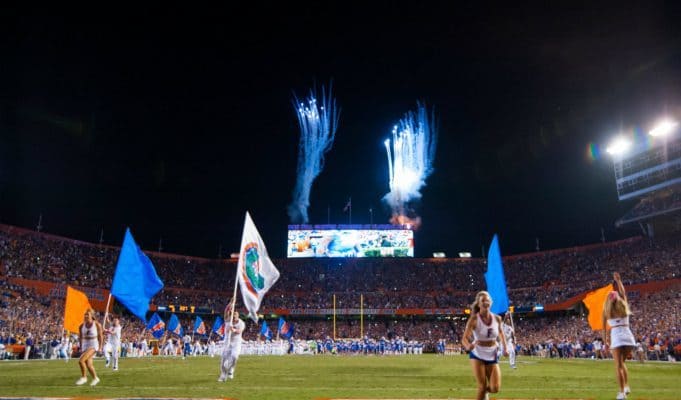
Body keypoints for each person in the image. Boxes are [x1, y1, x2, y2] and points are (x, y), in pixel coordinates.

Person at [462, 291, 508, 400]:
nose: (486, 302)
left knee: (495, 388)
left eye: (488, 300)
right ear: (478, 304)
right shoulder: (474, 319)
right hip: (478, 353)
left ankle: (485, 393)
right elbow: (464, 338)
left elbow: (501, 333)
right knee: (482, 387)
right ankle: (483, 392)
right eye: (483, 300)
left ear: (491, 303)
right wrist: (468, 346)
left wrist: (505, 348)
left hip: (492, 353)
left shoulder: (497, 318)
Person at [602, 272, 635, 400]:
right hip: (628, 337)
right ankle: (626, 386)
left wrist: (605, 342)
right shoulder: (624, 308)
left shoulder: (606, 312)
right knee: (622, 364)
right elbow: (623, 293)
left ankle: (621, 393)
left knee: (618, 366)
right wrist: (618, 280)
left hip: (616, 337)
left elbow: (604, 330)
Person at [76, 309, 103, 386]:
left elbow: (101, 336)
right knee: (89, 365)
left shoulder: (97, 325)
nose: (86, 316)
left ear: (92, 316)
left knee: (81, 361)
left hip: (93, 345)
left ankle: (84, 377)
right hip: (85, 345)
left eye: (87, 314)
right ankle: (95, 378)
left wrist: (100, 347)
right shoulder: (81, 326)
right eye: (85, 315)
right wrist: (81, 347)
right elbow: (80, 337)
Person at [218, 309, 245, 382]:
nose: (234, 316)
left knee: (234, 356)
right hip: (227, 343)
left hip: (236, 343)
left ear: (238, 316)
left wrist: (233, 330)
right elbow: (226, 311)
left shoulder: (241, 323)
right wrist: (231, 302)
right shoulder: (227, 321)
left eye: (235, 315)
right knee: (223, 360)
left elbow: (239, 331)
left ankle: (231, 369)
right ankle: (223, 374)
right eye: (233, 315)